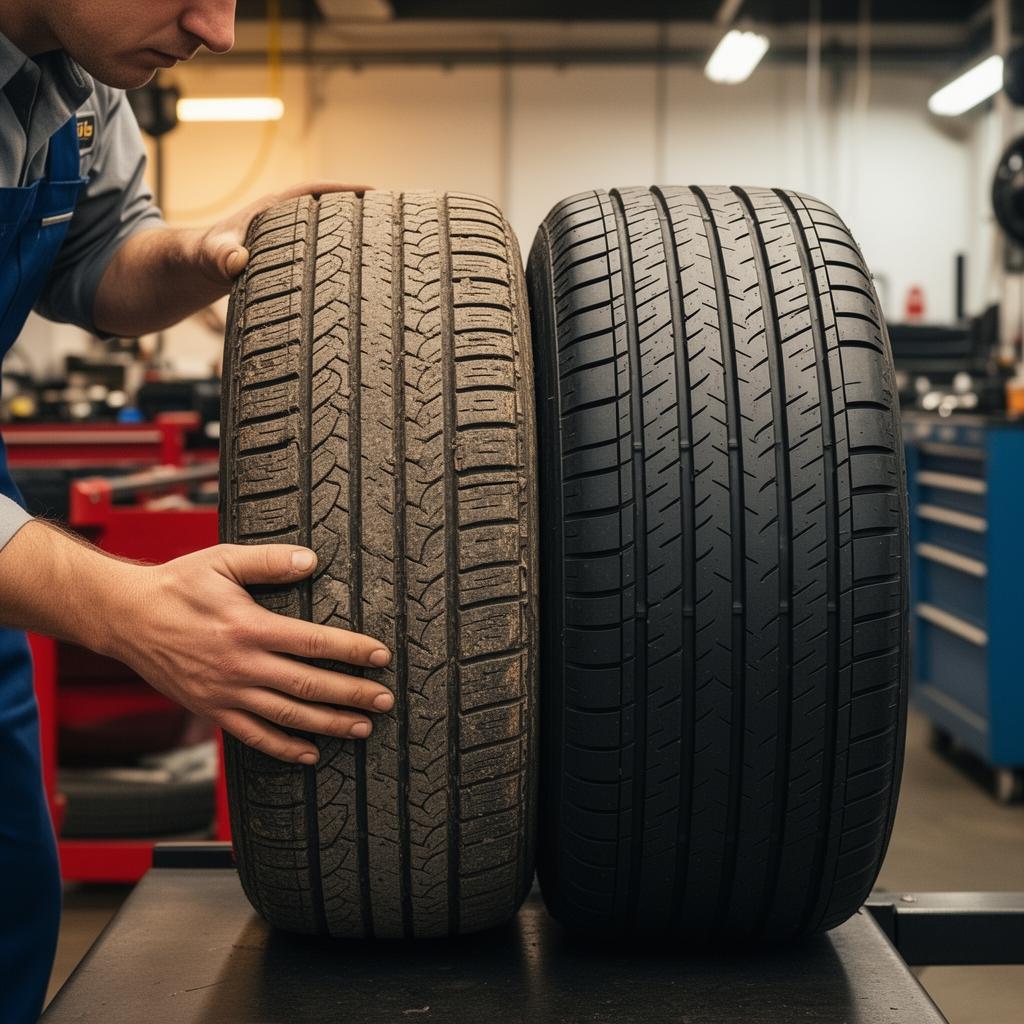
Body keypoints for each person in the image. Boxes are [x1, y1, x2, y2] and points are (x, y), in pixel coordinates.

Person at [0, 3, 394, 1019]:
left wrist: (195, 251)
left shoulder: (76, 76)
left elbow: (94, 259)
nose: (217, 29)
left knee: (6, 893)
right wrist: (126, 609)